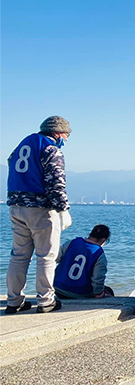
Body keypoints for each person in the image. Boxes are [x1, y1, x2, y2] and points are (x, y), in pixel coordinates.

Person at [5, 116, 73, 314]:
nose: (66, 141)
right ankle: (45, 301)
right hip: (40, 208)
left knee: (18, 256)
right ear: (58, 133)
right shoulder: (51, 149)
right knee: (46, 256)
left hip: (16, 205)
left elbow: (11, 164)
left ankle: (14, 300)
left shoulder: (21, 146)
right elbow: (56, 183)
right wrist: (63, 209)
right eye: (66, 136)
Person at [54, 225, 114, 299]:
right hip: (80, 293)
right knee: (109, 291)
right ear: (103, 240)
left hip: (58, 288)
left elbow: (56, 258)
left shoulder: (71, 242)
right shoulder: (98, 253)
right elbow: (98, 278)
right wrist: (99, 294)